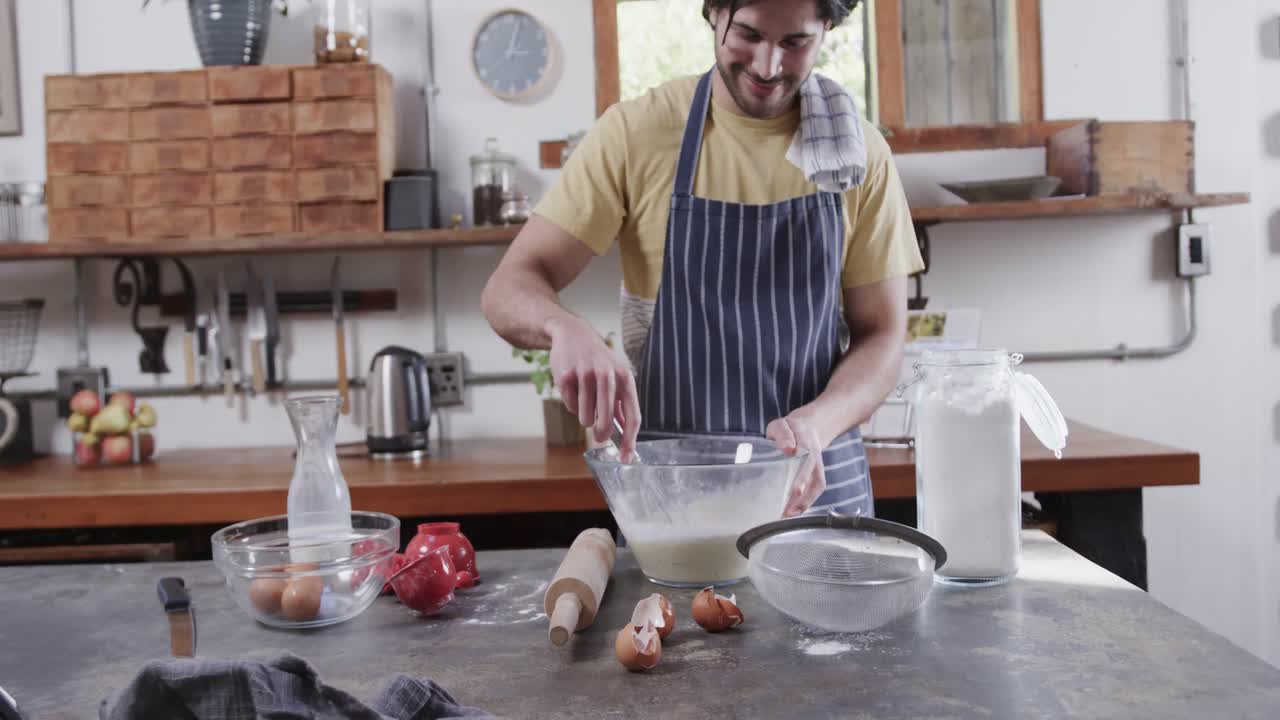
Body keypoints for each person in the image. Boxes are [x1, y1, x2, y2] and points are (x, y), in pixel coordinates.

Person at [481, 0, 922, 517]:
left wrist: (816, 425)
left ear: (827, 27)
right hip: (676, 505)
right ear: (714, 12)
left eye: (795, 43)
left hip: (814, 494)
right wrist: (565, 329)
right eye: (749, 35)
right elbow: (507, 288)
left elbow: (883, 337)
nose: (768, 66)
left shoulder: (856, 155)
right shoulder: (637, 134)